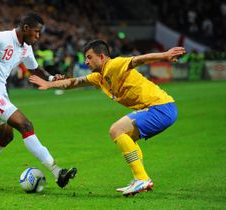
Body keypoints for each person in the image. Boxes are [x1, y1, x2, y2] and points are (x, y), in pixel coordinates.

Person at [29, 40, 186, 196]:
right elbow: (74, 82)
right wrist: (49, 85)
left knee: (116, 130)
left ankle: (142, 178)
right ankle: (141, 179)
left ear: (102, 56)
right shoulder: (99, 76)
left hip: (160, 108)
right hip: (159, 109)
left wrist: (165, 55)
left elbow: (139, 59)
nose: (86, 61)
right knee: (126, 138)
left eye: (89, 57)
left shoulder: (114, 65)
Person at [0, 12, 77, 190]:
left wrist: (51, 79)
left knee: (6, 136)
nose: (38, 36)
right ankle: (57, 172)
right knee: (25, 125)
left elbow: (35, 70)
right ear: (26, 28)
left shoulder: (26, 47)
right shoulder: (0, 38)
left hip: (0, 93)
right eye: (36, 32)